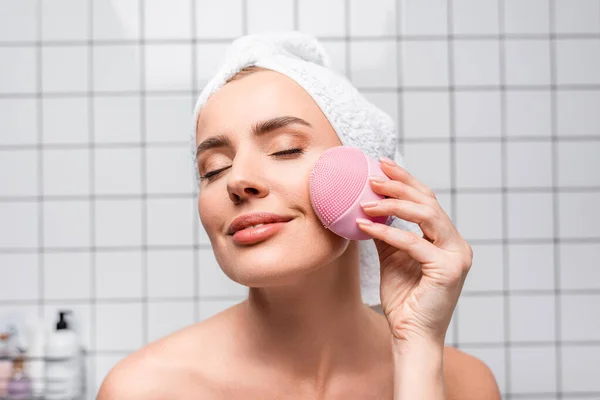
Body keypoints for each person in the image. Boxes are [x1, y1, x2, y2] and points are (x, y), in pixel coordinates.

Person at [98, 37, 501, 399]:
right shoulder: (146, 388)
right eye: (214, 168)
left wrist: (417, 351)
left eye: (286, 149)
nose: (237, 180)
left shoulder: (465, 384)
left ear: (371, 175)